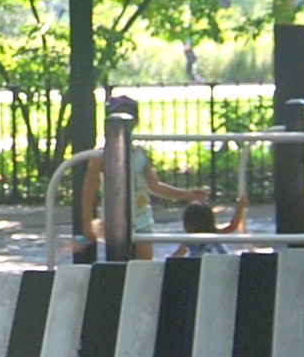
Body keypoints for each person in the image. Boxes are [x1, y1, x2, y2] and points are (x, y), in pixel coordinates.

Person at [73, 94, 214, 260]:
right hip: (115, 217)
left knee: (144, 263)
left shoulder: (139, 152)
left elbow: (154, 185)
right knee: (118, 261)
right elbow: (89, 187)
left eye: (131, 116)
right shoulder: (102, 152)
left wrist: (186, 194)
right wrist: (87, 221)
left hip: (141, 218)